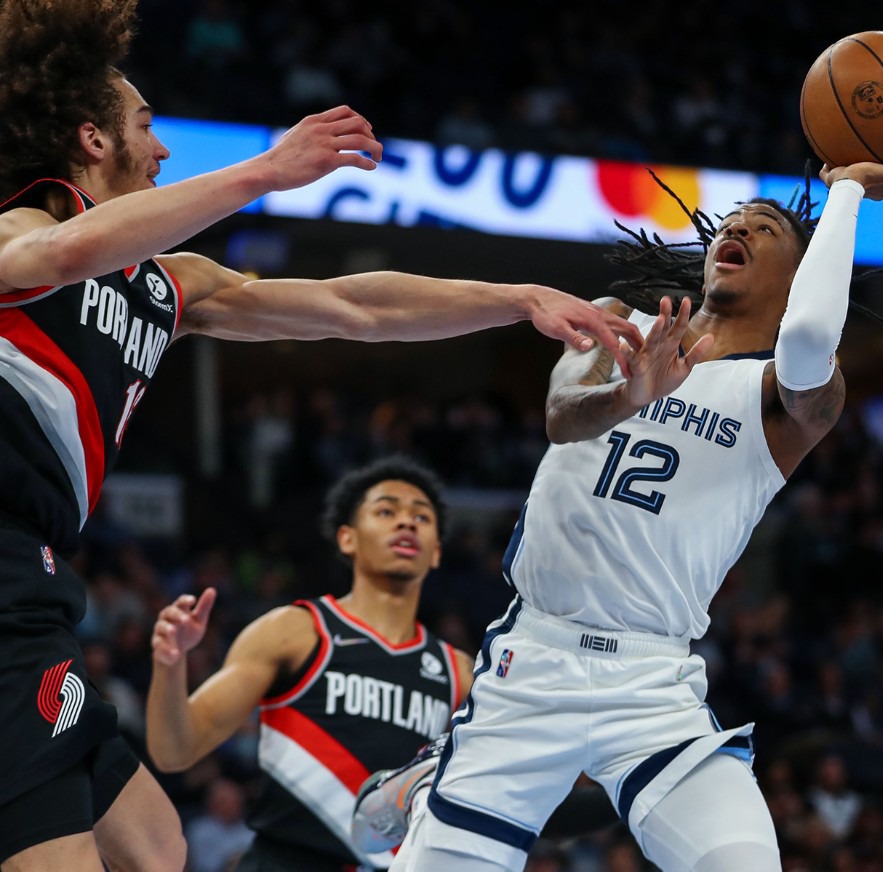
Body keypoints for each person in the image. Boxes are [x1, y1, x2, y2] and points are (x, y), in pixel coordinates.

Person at [0, 1, 640, 869]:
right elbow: (60, 258)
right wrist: (264, 171)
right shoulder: (22, 228)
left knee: (154, 846)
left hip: (36, 578)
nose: (163, 149)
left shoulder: (169, 285)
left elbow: (353, 307)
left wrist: (517, 299)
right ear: (92, 141)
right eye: (145, 127)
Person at [383, 150, 883, 871]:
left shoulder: (791, 401)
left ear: (801, 280)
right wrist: (629, 395)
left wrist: (849, 195)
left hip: (652, 685)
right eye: (734, 221)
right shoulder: (619, 321)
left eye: (765, 228)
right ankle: (437, 781)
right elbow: (560, 415)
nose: (738, 226)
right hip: (533, 660)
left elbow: (805, 339)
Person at [147, 455, 473, 871]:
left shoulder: (458, 671)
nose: (407, 524)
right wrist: (170, 666)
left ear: (437, 552)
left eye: (421, 518)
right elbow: (175, 751)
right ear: (347, 539)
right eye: (387, 511)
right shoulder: (295, 631)